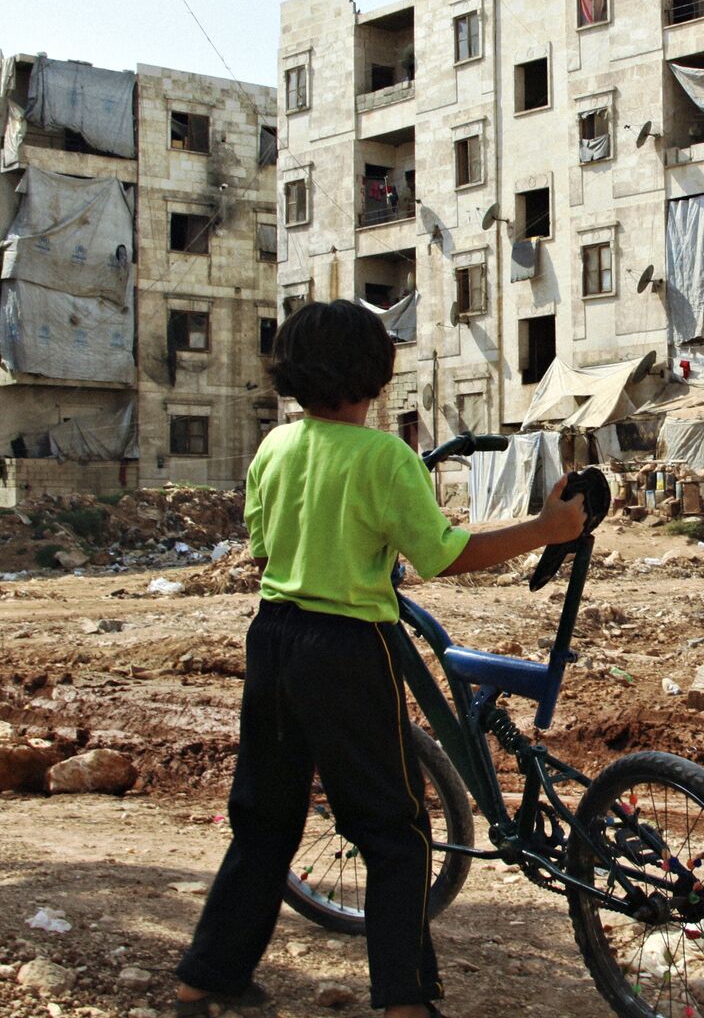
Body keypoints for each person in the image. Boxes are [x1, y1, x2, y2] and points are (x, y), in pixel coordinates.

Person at [174, 301, 587, 1018]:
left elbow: (265, 549)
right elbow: (442, 555)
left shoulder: (274, 447)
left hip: (273, 637)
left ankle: (205, 978)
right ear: (376, 375)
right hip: (345, 648)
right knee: (395, 832)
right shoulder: (385, 457)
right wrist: (545, 528)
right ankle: (404, 1002)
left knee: (264, 820)